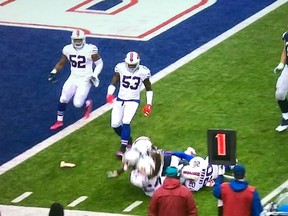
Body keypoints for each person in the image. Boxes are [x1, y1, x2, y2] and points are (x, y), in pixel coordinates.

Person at [48, 29, 103, 130]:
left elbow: (99, 64)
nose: (78, 42)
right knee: (63, 97)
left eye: (79, 40)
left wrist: (95, 75)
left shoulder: (90, 49)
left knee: (77, 104)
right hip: (73, 76)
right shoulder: (68, 49)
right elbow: (61, 63)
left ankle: (87, 104)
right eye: (76, 40)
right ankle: (59, 121)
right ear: (72, 40)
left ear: (84, 40)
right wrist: (53, 72)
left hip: (86, 78)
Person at [106, 51, 153, 158]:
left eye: (133, 65)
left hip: (133, 100)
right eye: (130, 64)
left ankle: (123, 148)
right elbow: (114, 82)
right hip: (120, 99)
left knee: (126, 121)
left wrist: (149, 104)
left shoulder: (143, 71)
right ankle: (128, 139)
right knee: (115, 124)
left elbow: (148, 88)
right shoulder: (121, 68)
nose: (131, 66)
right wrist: (109, 94)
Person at [273, 31, 288, 132]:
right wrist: (281, 64)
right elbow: (285, 50)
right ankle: (286, 117)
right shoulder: (286, 35)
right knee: (280, 93)